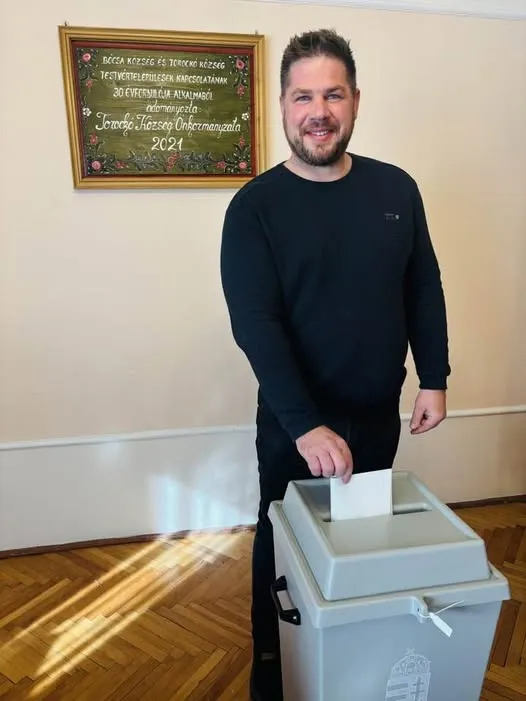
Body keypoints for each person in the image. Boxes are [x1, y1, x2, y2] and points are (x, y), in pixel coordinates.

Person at [220, 28, 450, 701]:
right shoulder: (254, 208)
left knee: (364, 539)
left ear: (355, 101)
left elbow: (422, 286)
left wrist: (434, 375)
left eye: (333, 94)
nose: (318, 111)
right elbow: (255, 325)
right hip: (295, 424)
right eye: (303, 97)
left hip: (377, 414)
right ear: (283, 106)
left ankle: (351, 657)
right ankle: (276, 668)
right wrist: (304, 425)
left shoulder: (396, 189)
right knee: (285, 549)